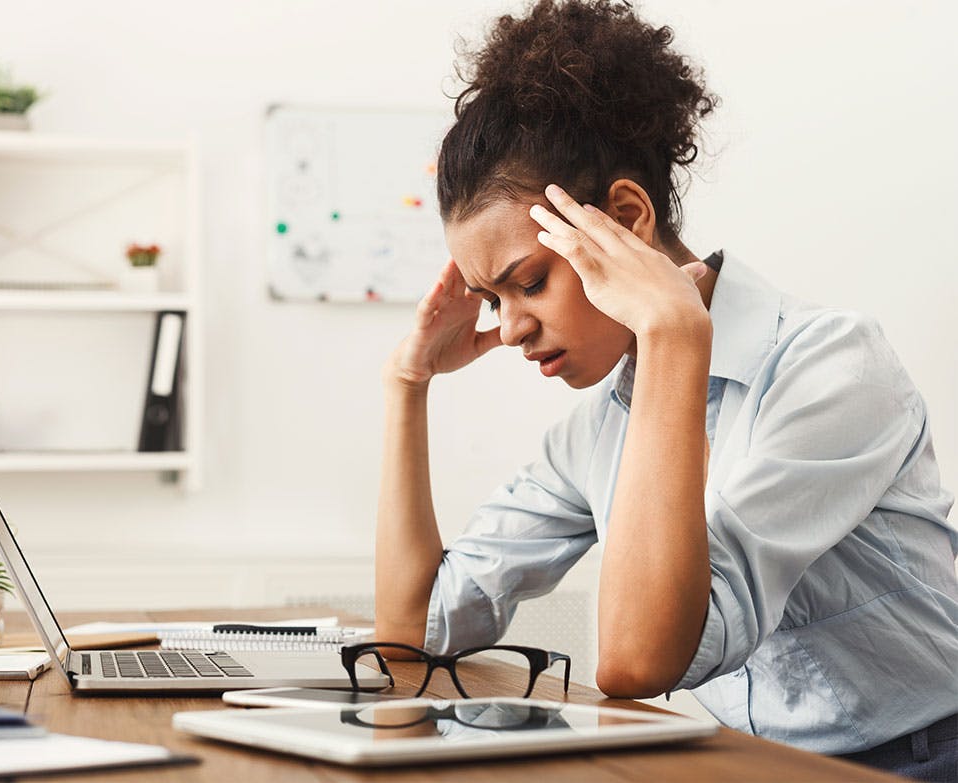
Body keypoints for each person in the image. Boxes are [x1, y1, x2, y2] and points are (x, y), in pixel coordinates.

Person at [373, 1, 958, 779]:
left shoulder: (832, 365)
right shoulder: (595, 429)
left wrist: (673, 331)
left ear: (625, 217)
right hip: (753, 762)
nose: (509, 329)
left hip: (925, 757)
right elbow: (410, 633)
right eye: (490, 301)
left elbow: (639, 661)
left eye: (528, 283)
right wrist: (405, 383)